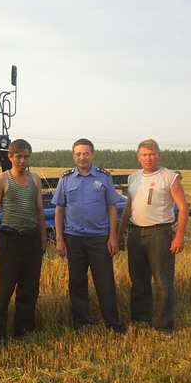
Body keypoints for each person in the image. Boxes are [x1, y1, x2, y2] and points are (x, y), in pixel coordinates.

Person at [52, 138, 126, 333]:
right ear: (73, 156)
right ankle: (81, 323)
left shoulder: (103, 177)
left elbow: (112, 207)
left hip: (99, 238)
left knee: (105, 283)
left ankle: (112, 323)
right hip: (73, 238)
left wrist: (112, 236)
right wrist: (59, 239)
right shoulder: (66, 179)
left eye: (86, 153)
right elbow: (59, 210)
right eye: (78, 154)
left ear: (93, 154)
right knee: (77, 283)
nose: (82, 157)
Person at [117, 139, 189, 337]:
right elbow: (128, 208)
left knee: (163, 282)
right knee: (138, 281)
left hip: (160, 233)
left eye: (151, 154)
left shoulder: (170, 177)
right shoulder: (133, 178)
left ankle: (165, 325)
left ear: (159, 155)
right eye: (144, 155)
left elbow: (183, 207)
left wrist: (179, 236)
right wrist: (121, 233)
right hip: (136, 233)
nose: (148, 158)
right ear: (138, 157)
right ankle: (141, 320)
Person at [0, 139, 47, 344]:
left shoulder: (35, 180)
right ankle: (0, 333)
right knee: (5, 289)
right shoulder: (2, 179)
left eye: (26, 156)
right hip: (9, 239)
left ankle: (24, 330)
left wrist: (42, 238)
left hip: (31, 238)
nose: (22, 161)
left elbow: (39, 209)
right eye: (19, 157)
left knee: (30, 288)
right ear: (10, 157)